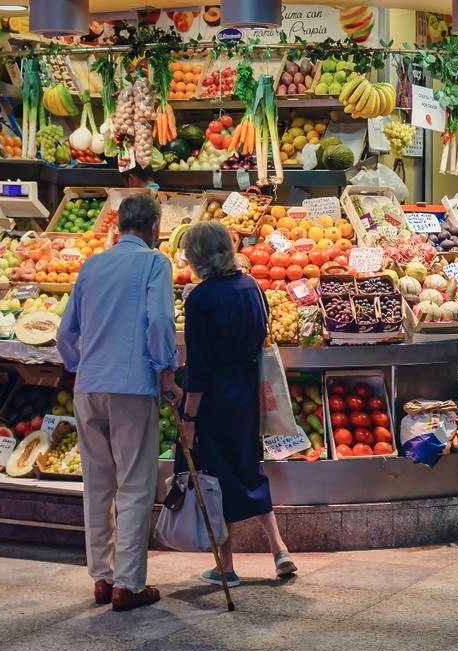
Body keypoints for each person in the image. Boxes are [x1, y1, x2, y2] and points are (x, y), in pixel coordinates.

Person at [58, 193, 180, 611]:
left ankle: (101, 578)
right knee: (134, 484)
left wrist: (83, 366)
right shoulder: (154, 263)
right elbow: (161, 320)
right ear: (153, 229)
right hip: (132, 388)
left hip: (88, 387)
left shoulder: (92, 265)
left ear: (117, 226)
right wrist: (165, 367)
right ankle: (128, 584)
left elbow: (65, 334)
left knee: (96, 484)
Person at [179, 221, 296, 586]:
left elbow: (198, 366)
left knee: (214, 478)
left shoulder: (199, 299)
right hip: (247, 390)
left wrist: (189, 416)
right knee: (248, 467)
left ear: (196, 256)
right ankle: (279, 549)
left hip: (214, 396)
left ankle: (225, 566)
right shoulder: (252, 287)